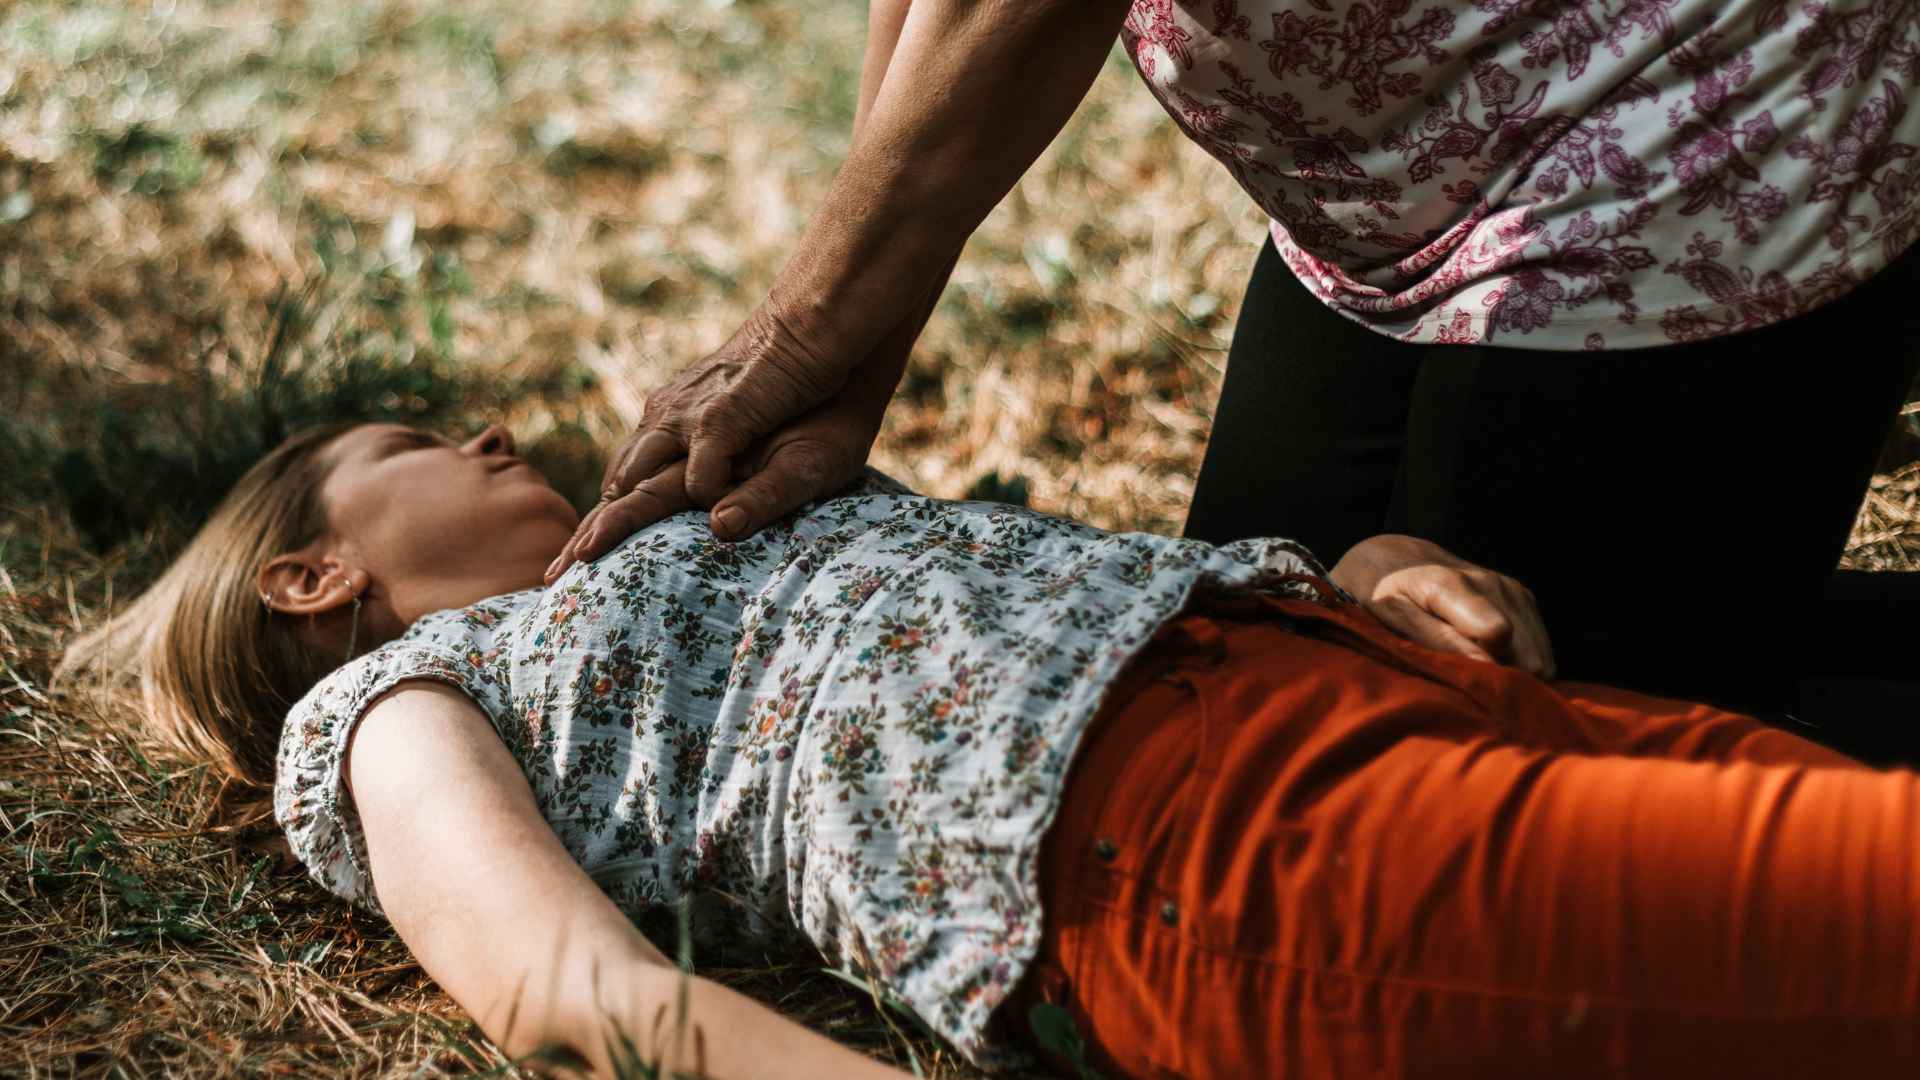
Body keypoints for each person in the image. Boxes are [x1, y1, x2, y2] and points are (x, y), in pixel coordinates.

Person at [61, 421, 1920, 1078]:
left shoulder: (703, 529)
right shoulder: (388, 711)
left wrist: (1376, 570)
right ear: (314, 568)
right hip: (1199, 850)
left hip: (1364, 679)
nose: (475, 431)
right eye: (408, 438)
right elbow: (569, 984)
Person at [547, 0, 1920, 722]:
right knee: (1252, 673)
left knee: (1489, 741)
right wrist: (849, 367)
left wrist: (798, 335)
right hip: (1393, 193)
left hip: (1688, 112)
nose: (494, 453)